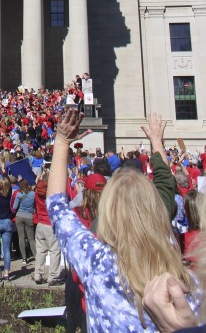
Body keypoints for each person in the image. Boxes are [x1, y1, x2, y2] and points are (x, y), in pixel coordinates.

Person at [47, 109, 199, 333]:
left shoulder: (97, 263)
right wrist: (157, 141)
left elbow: (57, 206)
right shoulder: (189, 284)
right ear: (156, 209)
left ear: (108, 211)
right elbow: (166, 184)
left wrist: (61, 142)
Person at [13, 178, 35, 265]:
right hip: (29, 216)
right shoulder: (33, 194)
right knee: (31, 238)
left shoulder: (19, 194)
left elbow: (14, 207)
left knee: (21, 237)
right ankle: (36, 255)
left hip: (19, 216)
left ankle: (24, 258)